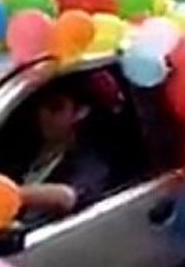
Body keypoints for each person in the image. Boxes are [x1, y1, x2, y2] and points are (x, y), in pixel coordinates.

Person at [18, 75, 118, 218]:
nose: (44, 115)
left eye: (55, 108)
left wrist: (6, 194)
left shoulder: (89, 160)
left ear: (80, 112)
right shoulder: (24, 146)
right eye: (40, 107)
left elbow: (67, 196)